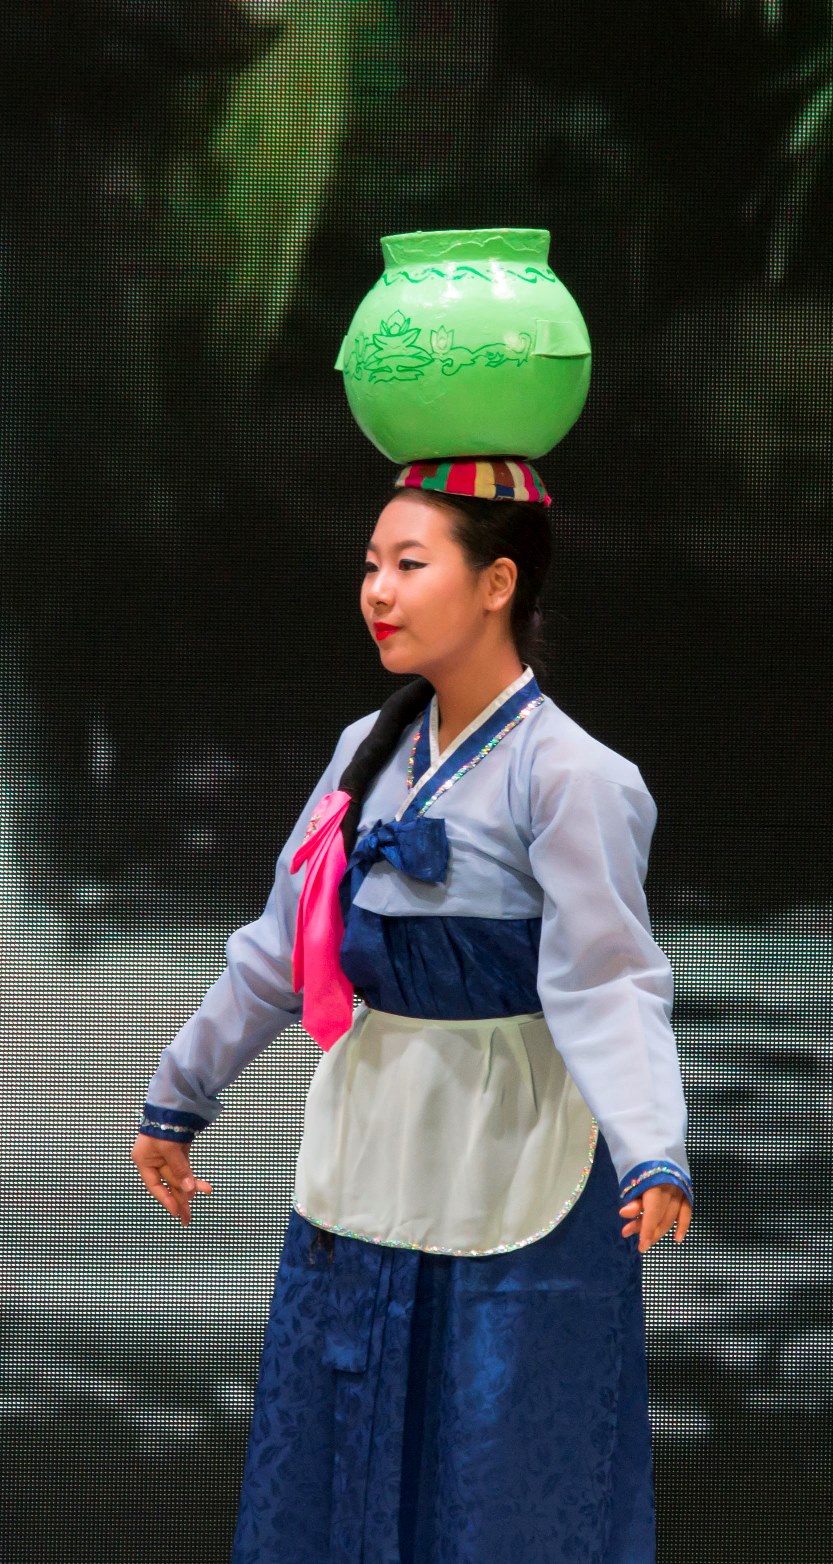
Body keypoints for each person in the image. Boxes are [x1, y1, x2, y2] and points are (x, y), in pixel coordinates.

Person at [131, 456, 693, 1564]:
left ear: (496, 584)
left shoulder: (572, 775)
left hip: (516, 1162)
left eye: (407, 564)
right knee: (331, 1449)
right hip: (371, 1150)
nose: (377, 592)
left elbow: (608, 981)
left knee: (503, 1473)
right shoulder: (367, 751)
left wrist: (651, 1150)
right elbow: (279, 949)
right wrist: (178, 1096)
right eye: (370, 566)